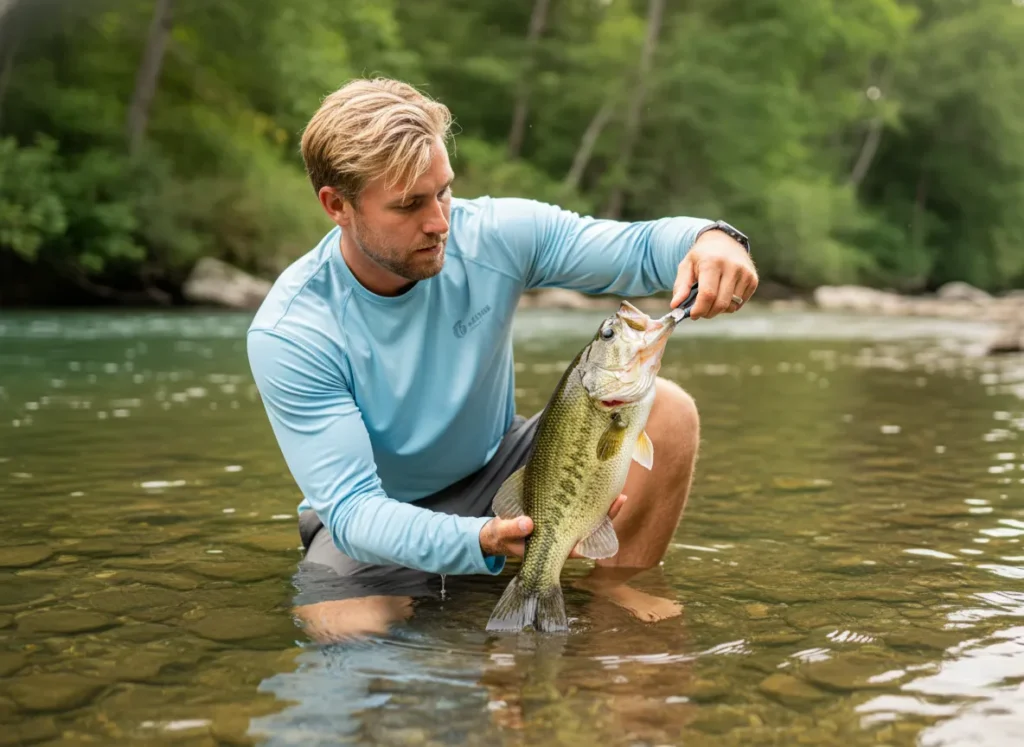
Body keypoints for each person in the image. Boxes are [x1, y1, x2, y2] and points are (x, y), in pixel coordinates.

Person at [246, 78, 758, 642]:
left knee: (669, 409)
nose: (440, 221)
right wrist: (479, 541)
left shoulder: (492, 234)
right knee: (345, 633)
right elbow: (353, 511)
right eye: (409, 204)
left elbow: (635, 249)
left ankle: (608, 601)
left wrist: (713, 239)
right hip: (381, 511)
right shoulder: (291, 331)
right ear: (336, 205)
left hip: (504, 470)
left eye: (443, 191)